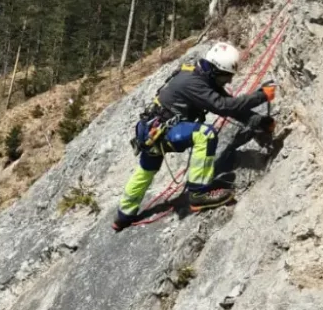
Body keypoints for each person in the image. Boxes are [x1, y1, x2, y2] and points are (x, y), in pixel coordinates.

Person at [112, 42, 276, 232]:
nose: (229, 81)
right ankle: (198, 193)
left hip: (152, 130)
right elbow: (223, 106)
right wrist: (261, 96)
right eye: (226, 76)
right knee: (205, 134)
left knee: (146, 170)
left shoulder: (202, 76)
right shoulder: (193, 82)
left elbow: (228, 106)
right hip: (164, 132)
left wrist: (258, 121)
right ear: (215, 70)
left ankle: (123, 215)